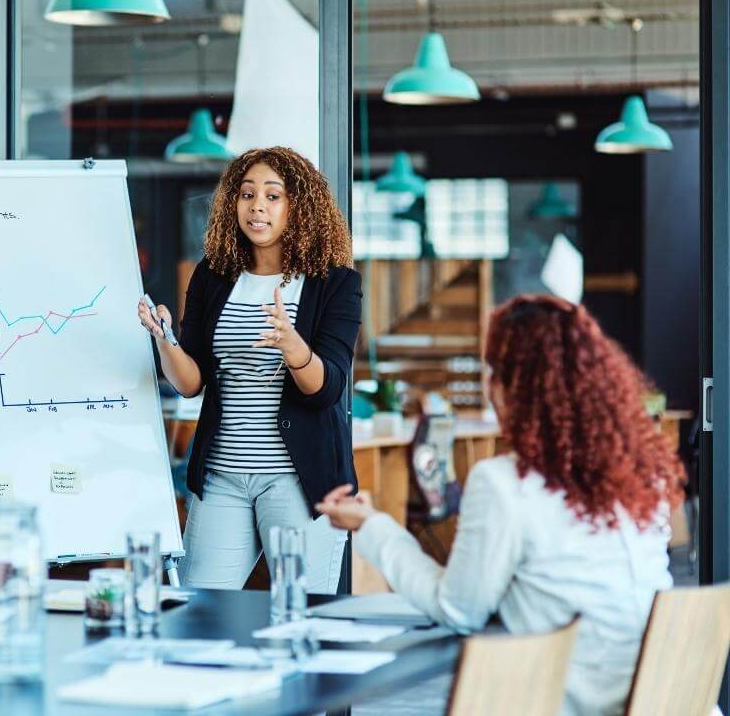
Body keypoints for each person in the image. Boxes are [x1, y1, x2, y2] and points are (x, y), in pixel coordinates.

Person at [319, 295, 684, 716]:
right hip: (668, 701)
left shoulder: (505, 483)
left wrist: (371, 527)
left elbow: (458, 610)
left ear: (514, 387)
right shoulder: (639, 475)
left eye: (493, 371)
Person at [139, 146, 361, 593]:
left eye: (273, 195)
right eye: (247, 193)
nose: (257, 204)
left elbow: (327, 389)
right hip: (222, 476)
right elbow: (191, 382)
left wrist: (290, 342)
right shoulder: (212, 276)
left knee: (300, 616)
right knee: (200, 611)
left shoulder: (335, 282)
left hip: (300, 480)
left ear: (300, 206)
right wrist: (164, 340)